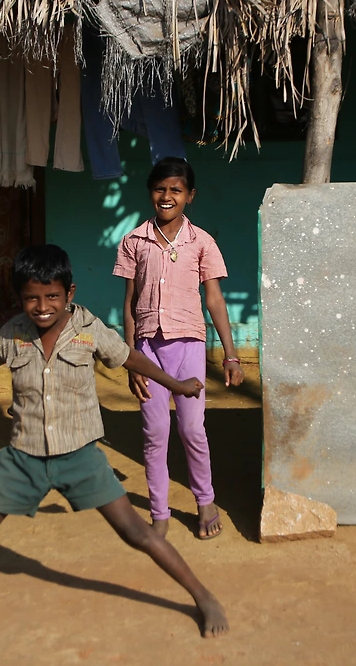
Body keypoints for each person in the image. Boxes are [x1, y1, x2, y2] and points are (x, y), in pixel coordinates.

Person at [0, 244, 229, 647]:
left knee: (138, 534)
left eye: (52, 296)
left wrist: (176, 385)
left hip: (80, 456)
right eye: (32, 297)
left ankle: (203, 597)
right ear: (19, 297)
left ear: (70, 293)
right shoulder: (12, 333)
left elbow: (130, 358)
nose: (42, 306)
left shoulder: (88, 328)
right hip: (23, 459)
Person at [112, 157, 244, 540]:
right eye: (160, 189)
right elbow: (129, 302)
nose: (167, 196)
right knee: (155, 432)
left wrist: (231, 355)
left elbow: (214, 299)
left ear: (190, 196)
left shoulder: (201, 242)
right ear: (150, 192)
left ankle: (205, 501)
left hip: (188, 346)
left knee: (191, 429)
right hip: (147, 350)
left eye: (176, 190)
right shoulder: (134, 242)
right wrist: (131, 358)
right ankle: (160, 512)